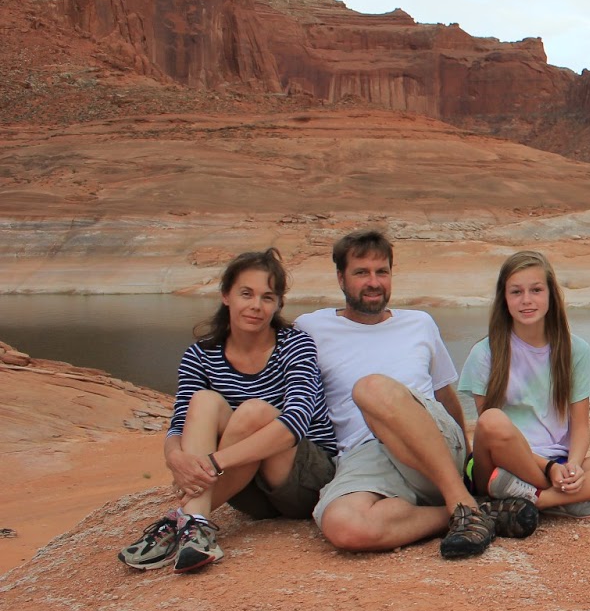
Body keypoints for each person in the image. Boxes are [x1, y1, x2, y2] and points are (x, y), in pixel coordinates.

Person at [297, 230, 538, 560]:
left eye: (382, 272)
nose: (374, 282)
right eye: (361, 272)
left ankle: (460, 501)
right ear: (340, 277)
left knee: (371, 388)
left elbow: (444, 394)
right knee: (344, 525)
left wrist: (466, 460)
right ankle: (477, 511)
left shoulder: (419, 323)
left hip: (434, 441)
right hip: (365, 454)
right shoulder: (311, 327)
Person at [118, 248, 337, 574]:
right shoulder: (200, 355)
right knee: (203, 402)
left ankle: (183, 520)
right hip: (248, 493)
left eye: (267, 297)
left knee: (251, 413)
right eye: (246, 294)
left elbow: (296, 421)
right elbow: (180, 421)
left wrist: (213, 462)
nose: (256, 306)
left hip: (302, 482)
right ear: (226, 296)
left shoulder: (295, 345)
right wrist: (174, 457)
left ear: (278, 304)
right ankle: (194, 524)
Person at [459, 250, 590, 516]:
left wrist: (573, 467)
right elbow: (488, 433)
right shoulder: (485, 353)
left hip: (559, 462)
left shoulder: (577, 351)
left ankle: (539, 500)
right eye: (516, 292)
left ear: (551, 295)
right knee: (492, 420)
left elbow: (580, 428)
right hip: (501, 466)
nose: (526, 300)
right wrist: (550, 470)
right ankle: (571, 496)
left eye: (536, 290)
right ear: (504, 299)